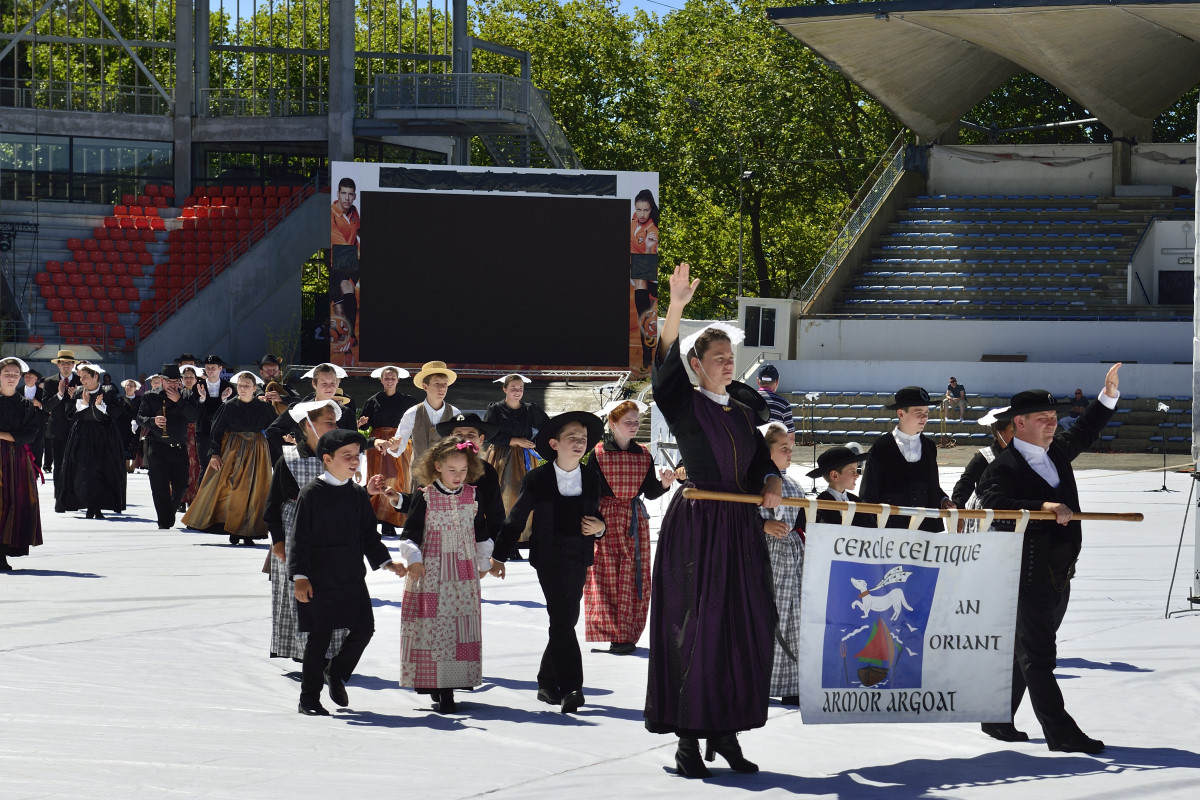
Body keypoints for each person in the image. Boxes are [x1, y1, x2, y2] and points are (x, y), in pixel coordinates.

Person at [643, 262, 782, 778]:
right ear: (697, 365)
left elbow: (762, 462)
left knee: (741, 626)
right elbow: (663, 367)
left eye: (731, 357)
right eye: (717, 358)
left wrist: (769, 483)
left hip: (740, 527)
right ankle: (687, 738)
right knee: (694, 626)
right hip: (699, 526)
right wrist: (676, 306)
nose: (727, 364)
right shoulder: (684, 403)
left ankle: (726, 731)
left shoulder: (746, 411)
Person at [976, 365, 1121, 754]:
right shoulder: (1000, 468)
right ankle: (1060, 732)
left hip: (1060, 572)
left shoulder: (1056, 451)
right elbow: (994, 504)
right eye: (1043, 420)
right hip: (1025, 572)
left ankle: (996, 716)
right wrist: (1041, 505)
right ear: (1019, 423)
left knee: (1028, 648)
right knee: (1039, 654)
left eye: (1054, 419)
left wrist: (1106, 396)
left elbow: (1086, 431)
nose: (1052, 425)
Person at [492, 411, 607, 715]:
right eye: (572, 437)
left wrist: (601, 528)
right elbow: (516, 519)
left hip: (579, 557)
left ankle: (546, 680)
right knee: (560, 616)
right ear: (554, 443)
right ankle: (572, 688)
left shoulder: (592, 478)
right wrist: (498, 555)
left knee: (565, 620)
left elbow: (598, 516)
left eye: (583, 438)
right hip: (549, 558)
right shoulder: (538, 478)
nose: (579, 443)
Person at [290, 429, 405, 716]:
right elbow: (299, 538)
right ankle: (309, 700)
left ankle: (336, 671)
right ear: (327, 459)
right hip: (317, 578)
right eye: (347, 456)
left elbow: (368, 535)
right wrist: (300, 576)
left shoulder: (356, 493)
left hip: (351, 576)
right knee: (320, 638)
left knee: (364, 628)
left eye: (357, 456)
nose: (355, 461)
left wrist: (386, 562)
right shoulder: (311, 494)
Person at [394, 436, 497, 714]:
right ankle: (435, 684)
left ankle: (451, 685)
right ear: (437, 466)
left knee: (460, 628)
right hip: (431, 572)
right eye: (452, 470)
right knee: (433, 630)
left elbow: (481, 533)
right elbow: (410, 534)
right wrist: (413, 559)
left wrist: (485, 562)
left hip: (463, 573)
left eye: (463, 471)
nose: (458, 476)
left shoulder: (471, 495)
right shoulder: (425, 495)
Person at [583, 399, 674, 655]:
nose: (634, 426)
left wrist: (664, 484)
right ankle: (614, 633)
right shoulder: (598, 453)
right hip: (606, 520)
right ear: (613, 424)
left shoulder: (643, 453)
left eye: (636, 422)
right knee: (607, 575)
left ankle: (628, 633)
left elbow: (649, 491)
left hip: (634, 521)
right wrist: (593, 523)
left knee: (635, 576)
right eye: (628, 422)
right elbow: (590, 493)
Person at [264, 400, 345, 662]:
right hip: (294, 532)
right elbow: (273, 505)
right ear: (308, 425)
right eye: (329, 423)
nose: (335, 427)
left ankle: (332, 651)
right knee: (299, 592)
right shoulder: (288, 460)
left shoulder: (339, 458)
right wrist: (277, 541)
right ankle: (304, 652)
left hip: (332, 533)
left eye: (335, 422)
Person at [182, 371, 278, 545]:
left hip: (257, 451)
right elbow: (216, 431)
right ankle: (231, 527)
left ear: (254, 388)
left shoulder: (265, 408)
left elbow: (276, 429)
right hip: (233, 449)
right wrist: (214, 453)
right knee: (230, 488)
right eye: (240, 385)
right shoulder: (229, 406)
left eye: (246, 385)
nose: (242, 389)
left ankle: (248, 531)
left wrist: (280, 454)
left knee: (254, 490)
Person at [859, 385, 954, 533]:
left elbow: (931, 485)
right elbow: (868, 493)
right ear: (900, 413)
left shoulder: (929, 446)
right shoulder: (881, 447)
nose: (924, 417)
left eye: (926, 412)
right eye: (918, 412)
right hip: (890, 531)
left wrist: (943, 500)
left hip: (925, 530)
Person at [757, 422, 806, 707]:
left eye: (791, 448)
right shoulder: (752, 482)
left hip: (792, 558)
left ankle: (791, 682)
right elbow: (737, 516)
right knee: (765, 618)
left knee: (792, 620)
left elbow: (801, 524)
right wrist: (763, 524)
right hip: (764, 556)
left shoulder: (794, 485)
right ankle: (759, 679)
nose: (789, 453)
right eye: (783, 448)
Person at [483, 373, 548, 556]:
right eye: (513, 388)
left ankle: (523, 538)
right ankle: (504, 540)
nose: (517, 392)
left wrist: (533, 441)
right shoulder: (495, 409)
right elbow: (489, 433)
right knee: (505, 495)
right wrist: (513, 440)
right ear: (504, 389)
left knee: (527, 496)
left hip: (525, 457)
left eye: (520, 389)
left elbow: (547, 428)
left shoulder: (530, 409)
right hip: (501, 456)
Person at [55, 363, 126, 520]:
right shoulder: (79, 392)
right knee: (85, 470)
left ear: (96, 377)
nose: (82, 380)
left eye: (85, 377)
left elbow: (116, 413)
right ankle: (88, 506)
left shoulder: (108, 391)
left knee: (101, 470)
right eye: (81, 377)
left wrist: (101, 406)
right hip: (83, 435)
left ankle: (98, 507)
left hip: (104, 435)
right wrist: (84, 405)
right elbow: (70, 415)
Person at [137, 365, 201, 529]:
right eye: (169, 381)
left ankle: (168, 514)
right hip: (157, 447)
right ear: (162, 381)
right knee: (160, 487)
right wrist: (153, 421)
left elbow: (194, 417)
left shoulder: (186, 395)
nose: (172, 385)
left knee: (181, 486)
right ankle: (164, 521)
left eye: (175, 381)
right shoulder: (150, 396)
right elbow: (139, 417)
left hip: (179, 447)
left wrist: (178, 402)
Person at [358, 365, 418, 536]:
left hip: (399, 440)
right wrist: (361, 424)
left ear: (398, 380)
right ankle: (378, 517)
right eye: (387, 378)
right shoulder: (373, 400)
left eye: (393, 378)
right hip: (378, 443)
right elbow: (366, 425)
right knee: (377, 478)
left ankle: (394, 518)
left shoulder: (409, 401)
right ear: (381, 380)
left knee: (399, 477)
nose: (390, 381)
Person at [385, 361, 460, 486]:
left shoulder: (454, 413)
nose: (442, 388)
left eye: (445, 384)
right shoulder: (412, 413)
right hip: (420, 478)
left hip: (448, 478)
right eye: (437, 384)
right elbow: (399, 444)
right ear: (425, 387)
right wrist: (394, 446)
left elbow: (461, 445)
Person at [0, 357, 44, 571]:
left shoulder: (25, 405)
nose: (11, 377)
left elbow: (31, 434)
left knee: (11, 503)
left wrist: (4, 436)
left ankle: (2, 553)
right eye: (7, 373)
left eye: (15, 374)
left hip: (15, 460)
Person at [266, 363, 357, 463]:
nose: (329, 387)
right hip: (303, 463)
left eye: (332, 383)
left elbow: (354, 442)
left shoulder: (346, 413)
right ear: (314, 383)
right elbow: (274, 430)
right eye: (324, 383)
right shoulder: (300, 409)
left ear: (338, 383)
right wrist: (292, 452)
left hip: (336, 466)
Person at [950, 409, 1013, 532]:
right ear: (999, 432)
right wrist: (958, 507)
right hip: (987, 516)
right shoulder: (985, 456)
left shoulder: (1022, 455)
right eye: (1012, 431)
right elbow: (965, 482)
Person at [630, 188, 661, 370]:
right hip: (635, 265)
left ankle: (647, 353)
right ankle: (646, 353)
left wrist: (649, 248)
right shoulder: (634, 219)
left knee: (645, 314)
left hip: (646, 266)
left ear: (651, 210)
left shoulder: (653, 232)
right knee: (642, 310)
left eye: (646, 210)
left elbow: (650, 262)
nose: (642, 214)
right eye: (639, 209)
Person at [40, 349, 78, 488]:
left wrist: (76, 398)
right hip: (58, 430)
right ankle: (59, 495)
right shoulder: (50, 382)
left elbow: (86, 407)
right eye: (63, 363)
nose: (66, 366)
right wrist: (59, 395)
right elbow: (46, 407)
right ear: (58, 365)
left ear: (73, 365)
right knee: (59, 464)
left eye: (69, 363)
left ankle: (74, 495)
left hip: (77, 430)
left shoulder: (80, 381)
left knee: (76, 464)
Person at [808, 445, 871, 526]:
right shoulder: (820, 505)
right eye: (852, 471)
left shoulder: (856, 501)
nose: (857, 475)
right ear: (835, 475)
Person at [177, 365, 205, 506]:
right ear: (181, 379)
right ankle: (180, 498)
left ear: (196, 379)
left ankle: (193, 498)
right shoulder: (177, 393)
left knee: (195, 465)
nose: (188, 379)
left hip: (196, 432)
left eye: (191, 377)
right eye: (185, 377)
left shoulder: (200, 393)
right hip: (180, 432)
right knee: (181, 465)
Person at [757, 364, 796, 445]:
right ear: (777, 381)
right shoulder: (784, 404)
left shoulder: (746, 401)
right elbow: (791, 439)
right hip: (773, 455)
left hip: (750, 454)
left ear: (758, 381)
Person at [21, 368, 45, 468]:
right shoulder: (17, 391)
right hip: (21, 426)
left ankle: (36, 471)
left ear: (36, 379)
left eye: (31, 376)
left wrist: (39, 404)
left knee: (37, 449)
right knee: (22, 449)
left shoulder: (43, 392)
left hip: (38, 425)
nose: (28, 378)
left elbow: (49, 408)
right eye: (26, 376)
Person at [330, 177, 360, 248]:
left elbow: (359, 231)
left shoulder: (354, 210)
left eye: (350, 194)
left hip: (355, 256)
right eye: (343, 193)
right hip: (340, 257)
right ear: (338, 194)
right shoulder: (330, 216)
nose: (347, 198)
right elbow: (345, 250)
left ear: (354, 196)